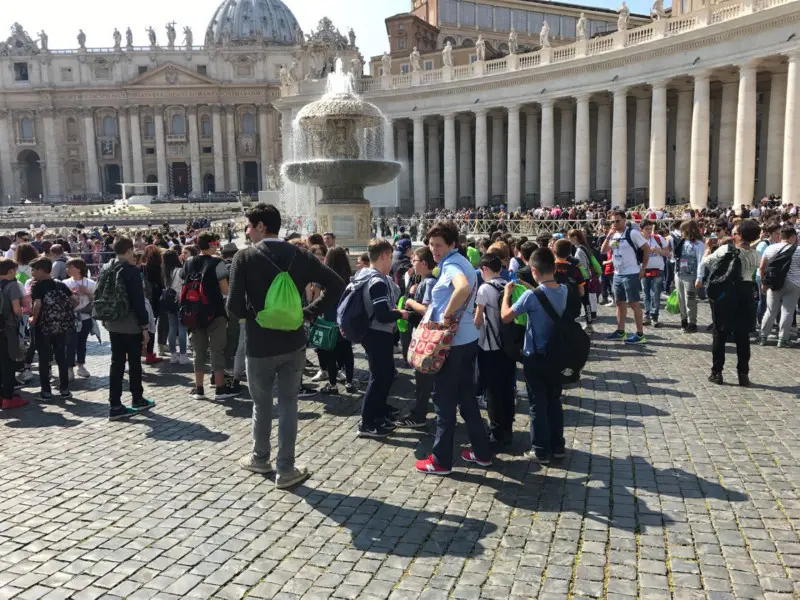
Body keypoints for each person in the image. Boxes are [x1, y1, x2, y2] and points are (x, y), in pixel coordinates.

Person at [228, 204, 344, 489]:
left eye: (249, 226)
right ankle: (286, 470)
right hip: (293, 342)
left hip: (258, 344)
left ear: (261, 227)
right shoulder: (301, 254)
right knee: (289, 404)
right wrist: (308, 312)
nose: (246, 231)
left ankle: (260, 457)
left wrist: (255, 316)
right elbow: (337, 284)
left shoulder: (244, 258)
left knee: (261, 404)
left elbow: (232, 308)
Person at [416, 221, 491, 475]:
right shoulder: (463, 262)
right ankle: (481, 452)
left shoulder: (451, 265)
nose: (433, 250)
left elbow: (463, 288)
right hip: (467, 339)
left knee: (443, 401)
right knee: (467, 398)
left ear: (452, 244)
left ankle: (440, 461)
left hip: (451, 344)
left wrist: (446, 317)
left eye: (439, 245)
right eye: (430, 244)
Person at [501, 248, 569, 464]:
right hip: (558, 355)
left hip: (536, 355)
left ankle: (539, 448)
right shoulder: (564, 290)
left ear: (533, 271)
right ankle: (558, 445)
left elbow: (506, 317)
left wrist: (507, 295)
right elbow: (544, 294)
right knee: (554, 400)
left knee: (537, 403)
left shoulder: (531, 296)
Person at [352, 239, 408, 438]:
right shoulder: (376, 281)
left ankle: (378, 415)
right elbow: (382, 314)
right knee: (379, 378)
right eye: (390, 257)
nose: (391, 261)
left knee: (382, 376)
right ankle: (367, 423)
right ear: (384, 255)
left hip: (371, 332)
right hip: (378, 333)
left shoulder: (363, 274)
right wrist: (400, 313)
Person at [98, 237, 155, 420]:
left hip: (113, 321)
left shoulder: (107, 267)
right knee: (134, 363)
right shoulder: (131, 271)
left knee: (117, 363)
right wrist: (145, 327)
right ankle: (137, 398)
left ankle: (115, 404)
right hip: (130, 323)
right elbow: (138, 301)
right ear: (129, 250)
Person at [703, 219, 760, 387]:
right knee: (743, 336)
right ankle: (743, 374)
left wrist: (707, 249)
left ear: (739, 235)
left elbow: (706, 262)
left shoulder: (726, 249)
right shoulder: (755, 255)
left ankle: (717, 372)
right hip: (747, 292)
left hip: (728, 292)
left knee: (720, 333)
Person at [182, 233, 238, 401]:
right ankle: (220, 388)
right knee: (217, 351)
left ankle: (199, 389)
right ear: (212, 245)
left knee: (198, 351)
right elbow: (226, 291)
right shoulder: (218, 263)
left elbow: (182, 280)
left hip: (193, 312)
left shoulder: (189, 262)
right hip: (215, 312)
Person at [474, 253, 516, 446]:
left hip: (489, 345)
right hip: (508, 345)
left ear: (484, 269)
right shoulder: (507, 285)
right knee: (507, 387)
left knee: (492, 390)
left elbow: (477, 320)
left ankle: (496, 430)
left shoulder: (484, 288)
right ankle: (508, 427)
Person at [396, 247, 436, 429]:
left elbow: (428, 311)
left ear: (425, 263)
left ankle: (419, 414)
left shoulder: (428, 283)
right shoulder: (424, 281)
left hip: (424, 336)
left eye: (416, 260)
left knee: (422, 378)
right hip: (424, 335)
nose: (412, 262)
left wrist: (411, 302)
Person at [29, 257, 76, 400]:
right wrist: (64, 313)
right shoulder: (60, 284)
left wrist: (33, 319)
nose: (32, 273)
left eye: (34, 269)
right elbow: (75, 300)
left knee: (44, 359)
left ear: (41, 270)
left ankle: (46, 391)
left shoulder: (37, 286)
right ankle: (64, 389)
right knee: (61, 356)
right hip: (61, 326)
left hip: (43, 327)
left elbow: (37, 305)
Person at [601, 210, 650, 344]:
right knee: (619, 303)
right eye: (612, 221)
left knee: (633, 303)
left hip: (631, 272)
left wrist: (643, 268)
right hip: (617, 273)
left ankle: (640, 334)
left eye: (617, 221)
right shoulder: (613, 234)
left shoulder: (632, 233)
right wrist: (609, 235)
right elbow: (603, 251)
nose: (615, 223)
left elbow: (646, 248)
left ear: (624, 220)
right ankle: (620, 331)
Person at [318, 247, 355, 394]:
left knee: (331, 353)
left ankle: (332, 385)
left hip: (329, 319)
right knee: (347, 351)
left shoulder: (325, 278)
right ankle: (350, 382)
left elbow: (320, 298)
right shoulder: (349, 278)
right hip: (345, 320)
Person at [758, 225, 800, 347]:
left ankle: (763, 336)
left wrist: (764, 283)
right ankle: (783, 339)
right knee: (788, 311)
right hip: (794, 283)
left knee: (770, 310)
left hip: (774, 283)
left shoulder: (770, 248)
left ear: (781, 236)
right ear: (792, 237)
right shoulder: (798, 250)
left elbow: (762, 267)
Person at [63, 258, 96, 380]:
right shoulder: (65, 283)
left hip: (85, 317)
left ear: (79, 269)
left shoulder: (91, 283)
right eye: (67, 267)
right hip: (70, 318)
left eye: (71, 267)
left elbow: (96, 301)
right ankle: (69, 368)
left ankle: (81, 366)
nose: (68, 270)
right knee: (70, 343)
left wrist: (88, 293)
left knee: (82, 342)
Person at [0, 259, 26, 409]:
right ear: (10, 271)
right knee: (9, 362)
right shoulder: (12, 285)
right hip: (7, 329)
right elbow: (16, 310)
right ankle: (9, 397)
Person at [674, 220, 705, 332]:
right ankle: (684, 319)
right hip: (680, 274)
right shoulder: (682, 242)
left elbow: (701, 261)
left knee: (690, 299)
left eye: (683, 230)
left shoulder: (699, 244)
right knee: (681, 298)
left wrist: (699, 277)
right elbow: (676, 256)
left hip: (691, 275)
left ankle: (692, 322)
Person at [639, 220, 669, 327]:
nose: (649, 231)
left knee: (656, 294)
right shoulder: (638, 240)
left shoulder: (658, 238)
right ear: (641, 230)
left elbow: (667, 252)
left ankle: (654, 316)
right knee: (645, 294)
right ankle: (646, 315)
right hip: (644, 270)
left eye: (650, 228)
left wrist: (658, 251)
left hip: (657, 270)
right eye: (646, 229)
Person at [162, 249, 189, 364]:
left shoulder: (165, 271)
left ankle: (173, 355)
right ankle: (183, 355)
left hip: (169, 301)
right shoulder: (179, 271)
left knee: (172, 328)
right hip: (179, 300)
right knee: (182, 328)